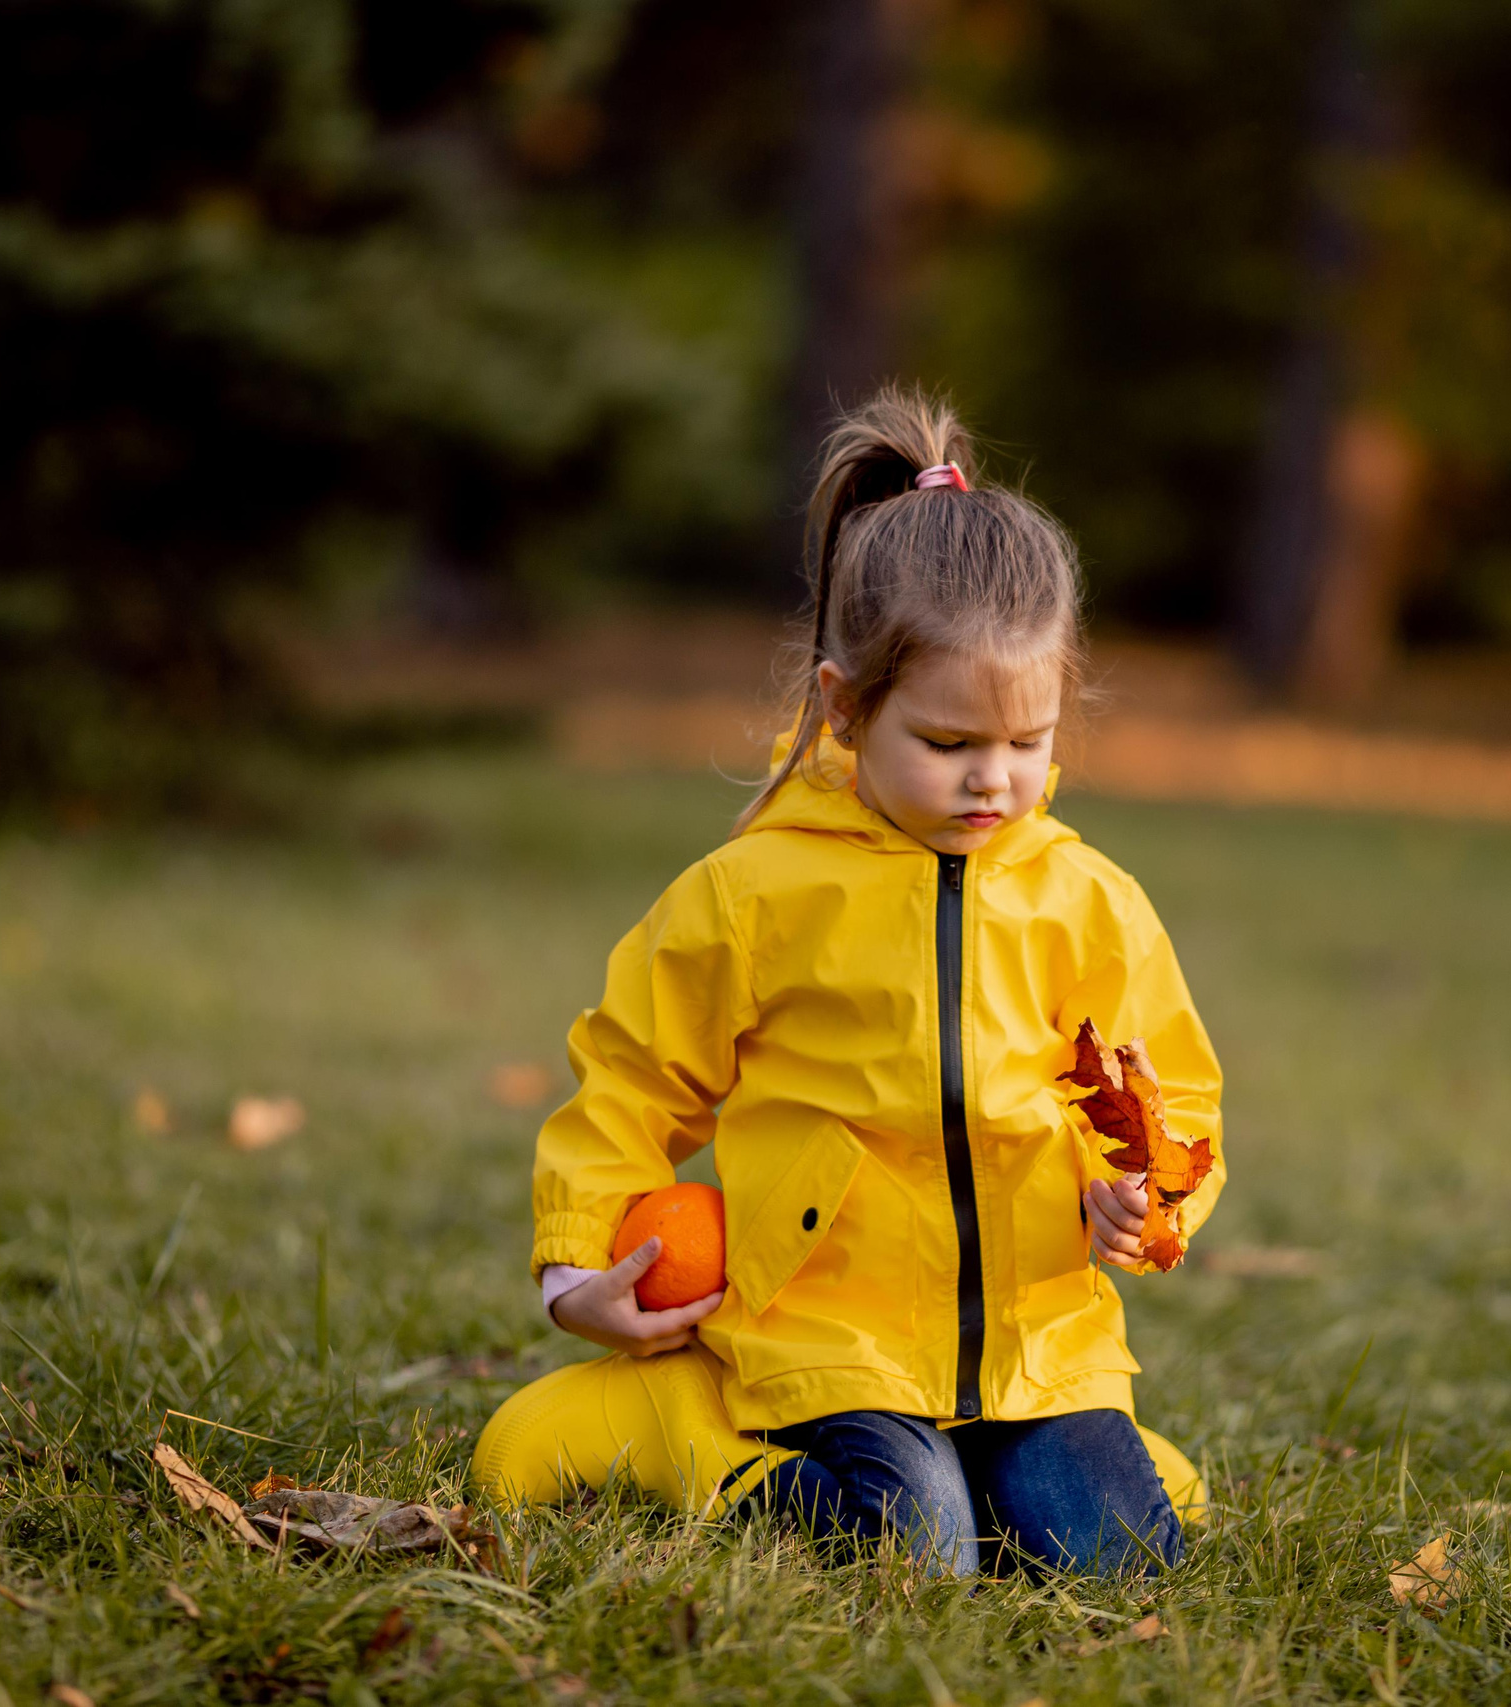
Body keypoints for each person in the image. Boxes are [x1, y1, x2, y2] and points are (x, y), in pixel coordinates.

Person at [472, 388, 1224, 1577]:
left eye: (1027, 743)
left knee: (1123, 1563)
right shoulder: (755, 894)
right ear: (843, 707)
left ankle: (1059, 1466)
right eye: (948, 745)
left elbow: (1166, 1091)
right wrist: (576, 1269)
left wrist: (1144, 1199)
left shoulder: (1089, 902)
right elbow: (628, 1081)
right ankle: (684, 1428)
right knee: (915, 1560)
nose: (994, 781)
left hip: (1038, 1344)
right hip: (826, 1334)